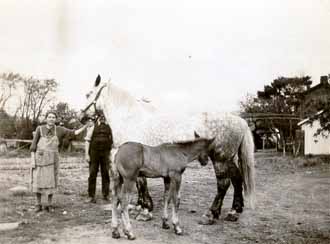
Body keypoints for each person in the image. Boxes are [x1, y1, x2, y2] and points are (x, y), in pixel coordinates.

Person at [30, 111, 88, 212]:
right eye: (49, 117)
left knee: (52, 181)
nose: (51, 119)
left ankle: (49, 204)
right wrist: (32, 160)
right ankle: (38, 204)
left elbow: (74, 133)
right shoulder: (39, 129)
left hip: (53, 159)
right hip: (40, 158)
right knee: (38, 181)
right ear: (46, 118)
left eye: (53, 117)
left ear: (56, 119)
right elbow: (33, 145)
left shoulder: (60, 130)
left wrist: (85, 126)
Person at [85, 113, 113, 203]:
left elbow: (113, 142)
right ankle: (91, 196)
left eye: (104, 117)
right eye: (101, 117)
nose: (102, 118)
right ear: (98, 117)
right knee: (92, 173)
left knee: (106, 174)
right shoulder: (92, 126)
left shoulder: (110, 127)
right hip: (94, 153)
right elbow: (87, 141)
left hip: (105, 153)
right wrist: (86, 154)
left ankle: (106, 195)